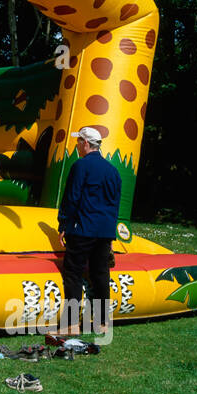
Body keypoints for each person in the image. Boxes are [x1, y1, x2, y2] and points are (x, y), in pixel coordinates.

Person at [57, 127, 121, 335]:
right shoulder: (113, 171)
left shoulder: (81, 166)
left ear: (85, 143)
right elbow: (114, 205)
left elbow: (72, 197)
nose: (76, 146)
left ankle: (71, 324)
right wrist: (111, 235)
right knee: (101, 274)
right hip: (104, 231)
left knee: (73, 273)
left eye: (78, 142)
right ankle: (102, 323)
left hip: (83, 228)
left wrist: (63, 224)